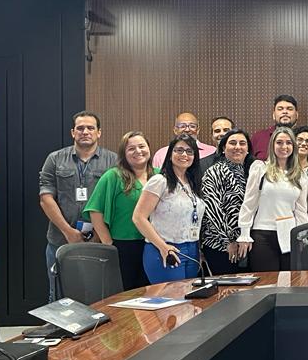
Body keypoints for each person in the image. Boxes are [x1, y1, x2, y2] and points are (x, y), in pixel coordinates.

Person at [39, 111, 118, 300]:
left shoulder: (113, 161)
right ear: (72, 132)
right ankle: (62, 330)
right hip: (60, 240)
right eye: (80, 128)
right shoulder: (55, 159)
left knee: (98, 295)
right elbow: (45, 198)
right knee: (58, 294)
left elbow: (115, 202)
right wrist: (68, 231)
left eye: (90, 128)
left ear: (99, 132)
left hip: (99, 242)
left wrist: (98, 235)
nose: (85, 132)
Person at [83, 131, 156, 290]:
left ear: (149, 149)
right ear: (124, 153)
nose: (138, 151)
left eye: (142, 146)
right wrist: (109, 243)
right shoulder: (113, 176)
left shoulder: (159, 176)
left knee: (152, 294)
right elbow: (95, 211)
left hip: (154, 245)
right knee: (126, 295)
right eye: (131, 149)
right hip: (124, 247)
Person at [132, 134, 206, 283]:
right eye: (179, 150)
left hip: (192, 249)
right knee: (172, 302)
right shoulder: (159, 181)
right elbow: (138, 217)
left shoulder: (192, 183)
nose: (184, 154)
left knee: (188, 302)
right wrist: (163, 246)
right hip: (165, 248)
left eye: (189, 151)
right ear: (170, 154)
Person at [237, 127, 308, 271]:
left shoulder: (299, 175)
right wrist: (244, 234)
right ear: (272, 145)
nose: (284, 147)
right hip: (263, 234)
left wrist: (303, 236)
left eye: (288, 143)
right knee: (266, 284)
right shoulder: (260, 168)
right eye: (279, 142)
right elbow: (249, 203)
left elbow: (301, 210)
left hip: (289, 236)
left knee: (288, 284)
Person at [200, 128, 253, 276]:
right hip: (220, 244)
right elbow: (212, 210)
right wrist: (228, 241)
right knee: (226, 291)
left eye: (242, 143)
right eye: (232, 143)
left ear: (248, 149)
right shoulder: (214, 172)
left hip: (246, 243)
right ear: (223, 148)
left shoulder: (250, 172)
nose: (237, 147)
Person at [152, 112, 217, 168]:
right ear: (175, 130)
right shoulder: (161, 154)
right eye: (182, 126)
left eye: (192, 126)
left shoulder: (212, 151)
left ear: (198, 130)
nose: (187, 130)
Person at [252, 95, 299, 161]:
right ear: (274, 115)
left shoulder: (304, 140)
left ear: (297, 115)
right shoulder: (258, 137)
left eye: (289, 109)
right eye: (280, 109)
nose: (285, 112)